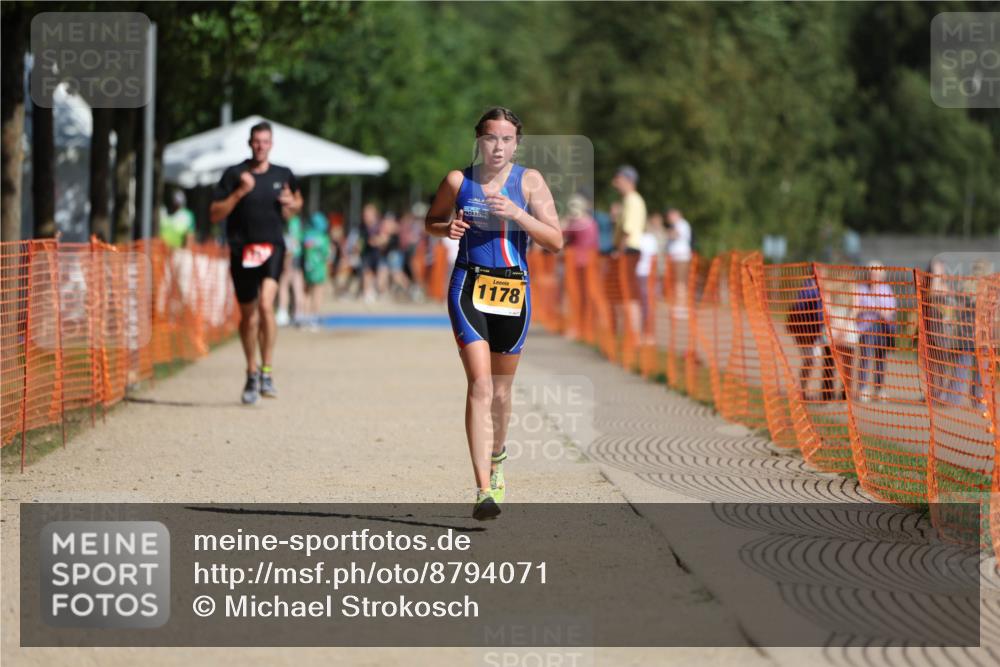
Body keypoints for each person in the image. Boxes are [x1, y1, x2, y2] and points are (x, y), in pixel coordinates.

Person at [425, 106, 562, 520]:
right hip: (468, 285)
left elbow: (555, 240)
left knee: (502, 393)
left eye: (506, 139)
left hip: (512, 292)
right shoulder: (458, 180)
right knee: (481, 386)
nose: (497, 146)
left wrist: (518, 214)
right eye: (490, 138)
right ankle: (483, 488)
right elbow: (432, 220)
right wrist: (443, 229)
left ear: (516, 143)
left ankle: (497, 456)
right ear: (478, 141)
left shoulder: (530, 181)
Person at [210, 121, 302, 404]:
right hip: (242, 250)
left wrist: (291, 203)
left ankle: (267, 371)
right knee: (248, 316)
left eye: (265, 141)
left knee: (266, 306)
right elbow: (214, 213)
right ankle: (251, 371)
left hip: (272, 248)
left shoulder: (283, 174)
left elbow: (297, 203)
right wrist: (239, 192)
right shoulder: (235, 174)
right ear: (250, 144)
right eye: (256, 141)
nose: (261, 146)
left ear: (271, 144)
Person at [611, 165, 646, 338]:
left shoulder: (632, 200)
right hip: (629, 250)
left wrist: (619, 251)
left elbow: (628, 229)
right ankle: (630, 333)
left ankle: (633, 334)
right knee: (627, 291)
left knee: (628, 292)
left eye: (618, 179)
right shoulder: (629, 200)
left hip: (629, 251)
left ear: (628, 180)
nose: (615, 183)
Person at [787, 276, 835, 401]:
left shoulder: (820, 288)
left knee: (811, 360)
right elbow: (801, 306)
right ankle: (801, 391)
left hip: (816, 331)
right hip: (805, 330)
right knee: (810, 360)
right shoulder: (809, 287)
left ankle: (802, 390)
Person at [855, 261, 896, 402]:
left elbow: (890, 313)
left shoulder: (886, 290)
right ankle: (863, 389)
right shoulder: (862, 288)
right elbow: (856, 308)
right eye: (872, 272)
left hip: (882, 328)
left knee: (881, 359)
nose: (874, 276)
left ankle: (879, 389)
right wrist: (874, 309)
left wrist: (877, 307)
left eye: (877, 273)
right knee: (865, 357)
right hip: (865, 328)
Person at [301, 211, 331, 329]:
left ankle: (305, 317)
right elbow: (326, 255)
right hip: (319, 268)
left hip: (308, 267)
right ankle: (314, 318)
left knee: (307, 292)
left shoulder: (306, 236)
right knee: (317, 293)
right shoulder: (323, 238)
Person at [665, 207, 693, 319]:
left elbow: (675, 235)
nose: (669, 218)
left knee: (680, 283)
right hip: (677, 258)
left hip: (681, 258)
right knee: (678, 283)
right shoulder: (678, 224)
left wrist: (668, 232)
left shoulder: (682, 224)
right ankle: (680, 306)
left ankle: (682, 308)